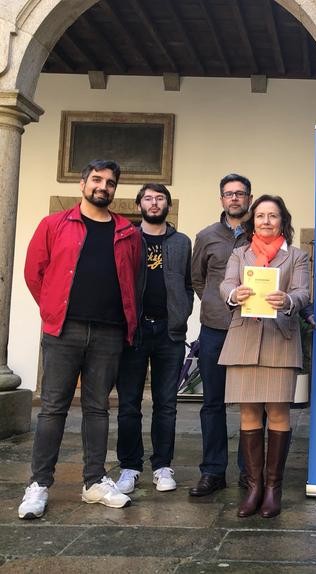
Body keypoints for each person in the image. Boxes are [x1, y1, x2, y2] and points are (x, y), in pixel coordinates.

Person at [18, 159, 141, 519]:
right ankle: (39, 485)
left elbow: (132, 278)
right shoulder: (54, 224)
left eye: (110, 182)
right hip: (64, 330)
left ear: (115, 189)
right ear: (83, 183)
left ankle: (94, 482)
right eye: (97, 180)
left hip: (108, 332)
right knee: (53, 407)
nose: (103, 187)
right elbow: (33, 272)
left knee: (98, 408)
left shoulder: (127, 233)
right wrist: (54, 308)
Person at [219, 194, 310, 518]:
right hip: (244, 339)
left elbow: (302, 292)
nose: (266, 221)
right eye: (260, 216)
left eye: (273, 216)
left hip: (279, 340)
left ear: (283, 220)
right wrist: (234, 293)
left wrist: (287, 300)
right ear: (252, 220)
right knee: (248, 415)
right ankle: (254, 486)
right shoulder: (239, 254)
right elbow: (225, 284)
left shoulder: (296, 256)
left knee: (279, 414)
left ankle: (273, 489)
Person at [115, 183, 194, 494]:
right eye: (148, 198)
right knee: (129, 404)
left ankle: (162, 466)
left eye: (160, 198)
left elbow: (189, 283)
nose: (154, 203)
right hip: (134, 332)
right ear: (139, 205)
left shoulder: (182, 242)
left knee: (166, 404)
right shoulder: (126, 237)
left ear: (167, 205)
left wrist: (182, 313)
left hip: (168, 333)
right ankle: (130, 467)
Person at [189, 173, 252, 496]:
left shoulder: (261, 234)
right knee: (212, 403)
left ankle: (248, 471)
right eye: (229, 194)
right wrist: (216, 302)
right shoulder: (206, 236)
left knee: (250, 404)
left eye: (240, 193)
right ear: (221, 199)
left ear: (249, 199)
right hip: (214, 328)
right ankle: (213, 471)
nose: (235, 199)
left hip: (252, 328)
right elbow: (197, 278)